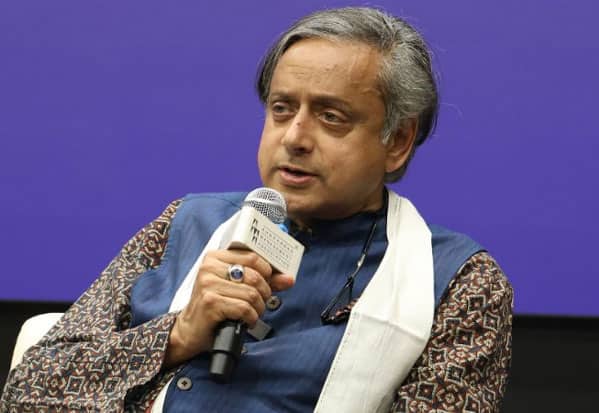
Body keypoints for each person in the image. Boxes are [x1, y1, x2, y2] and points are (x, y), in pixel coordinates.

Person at [1, 6, 512, 413]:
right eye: (282, 109)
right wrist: (178, 335)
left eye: (331, 117)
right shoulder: (184, 223)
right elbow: (29, 392)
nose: (295, 138)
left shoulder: (458, 282)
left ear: (397, 141)